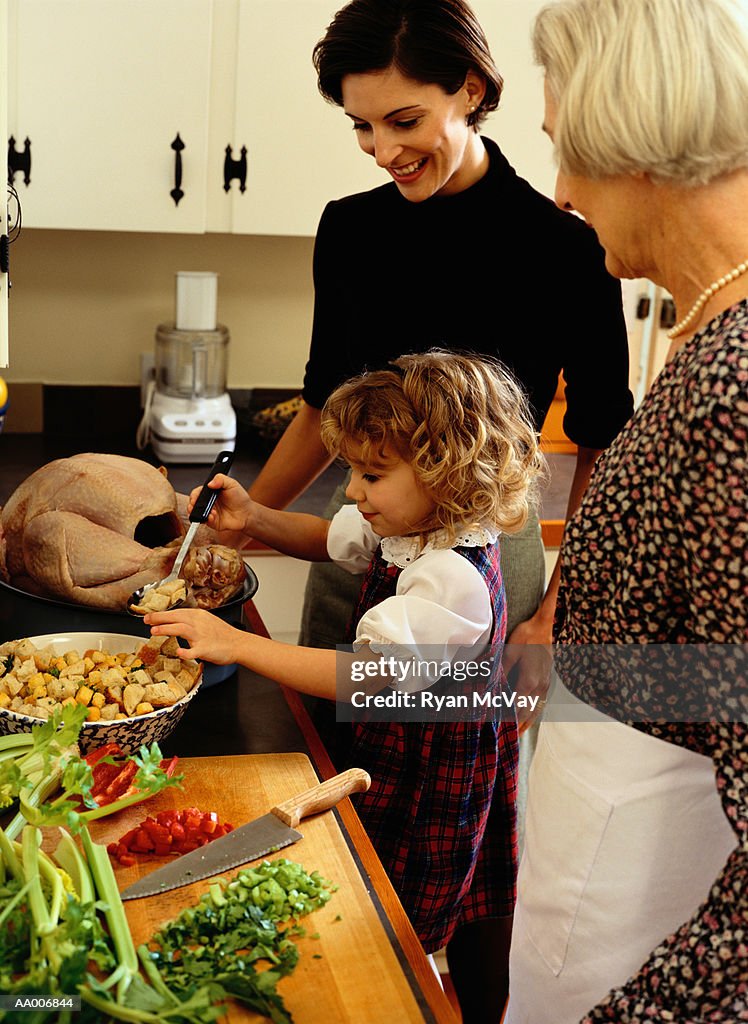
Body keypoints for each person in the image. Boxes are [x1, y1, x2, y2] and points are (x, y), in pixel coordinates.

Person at [147, 350, 545, 1022]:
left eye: (370, 474)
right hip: (394, 751)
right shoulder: (415, 523)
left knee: (397, 923)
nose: (353, 490)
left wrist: (236, 643)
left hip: (430, 775)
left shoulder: (452, 575)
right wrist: (254, 519)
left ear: (446, 473)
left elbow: (370, 676)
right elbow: (330, 538)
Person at [244, 0, 633, 680]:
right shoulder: (349, 231)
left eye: (404, 120)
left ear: (470, 90)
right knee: (316, 756)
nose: (384, 151)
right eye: (361, 126)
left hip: (488, 558)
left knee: (448, 776)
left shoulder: (568, 250)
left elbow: (605, 445)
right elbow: (319, 406)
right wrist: (241, 523)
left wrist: (552, 617)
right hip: (359, 534)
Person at [506, 0, 748, 1021]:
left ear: (636, 144)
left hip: (631, 930)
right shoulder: (713, 338)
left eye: (570, 155)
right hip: (591, 871)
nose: (561, 193)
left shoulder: (735, 390)